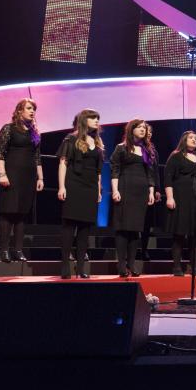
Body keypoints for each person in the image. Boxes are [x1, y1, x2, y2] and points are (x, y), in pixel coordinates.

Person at [57, 109, 104, 279]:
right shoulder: (71, 138)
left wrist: (99, 190)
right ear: (84, 120)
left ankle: (81, 267)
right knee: (69, 226)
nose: (97, 121)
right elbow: (63, 163)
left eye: (98, 118)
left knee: (85, 228)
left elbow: (99, 171)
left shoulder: (97, 142)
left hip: (90, 187)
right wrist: (62, 186)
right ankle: (64, 266)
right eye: (93, 118)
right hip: (73, 184)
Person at [0, 99, 43, 263]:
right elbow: (0, 153)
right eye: (29, 108)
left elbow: (37, 157)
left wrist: (40, 177)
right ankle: (4, 251)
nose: (32, 111)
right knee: (8, 211)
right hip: (12, 173)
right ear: (19, 110)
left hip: (28, 177)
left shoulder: (34, 133)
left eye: (34, 109)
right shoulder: (8, 129)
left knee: (22, 214)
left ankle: (18, 250)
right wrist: (2, 174)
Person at [110, 119, 155, 277]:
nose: (143, 130)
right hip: (125, 187)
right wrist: (115, 190)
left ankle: (132, 263)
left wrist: (151, 191)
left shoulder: (146, 149)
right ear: (131, 129)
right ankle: (121, 264)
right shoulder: (121, 148)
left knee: (136, 229)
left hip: (141, 191)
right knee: (123, 228)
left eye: (144, 127)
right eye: (139, 127)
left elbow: (150, 173)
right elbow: (114, 169)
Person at [164, 131, 196, 276]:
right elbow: (168, 177)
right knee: (179, 233)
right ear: (184, 140)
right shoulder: (176, 156)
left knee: (195, 234)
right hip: (181, 196)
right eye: (191, 138)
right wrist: (169, 197)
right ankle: (177, 267)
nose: (194, 140)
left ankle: (194, 266)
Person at [141, 124, 162, 261]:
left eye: (151, 132)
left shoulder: (153, 150)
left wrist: (157, 189)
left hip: (150, 189)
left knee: (147, 222)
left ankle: (144, 249)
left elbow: (155, 171)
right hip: (137, 187)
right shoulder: (135, 148)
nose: (149, 134)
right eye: (147, 131)